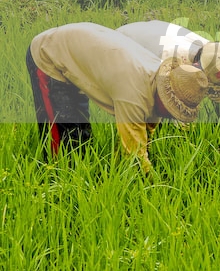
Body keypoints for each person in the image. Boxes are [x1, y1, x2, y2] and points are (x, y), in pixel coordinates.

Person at [26, 22, 209, 174]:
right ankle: (55, 185)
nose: (171, 115)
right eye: (172, 109)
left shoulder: (162, 80)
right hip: (50, 53)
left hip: (80, 56)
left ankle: (88, 177)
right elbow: (134, 157)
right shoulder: (133, 93)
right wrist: (157, 186)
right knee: (62, 147)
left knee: (81, 137)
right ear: (165, 95)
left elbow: (144, 133)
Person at [117, 20, 220, 109]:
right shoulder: (171, 59)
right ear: (197, 66)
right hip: (123, 44)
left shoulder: (211, 52)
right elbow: (164, 98)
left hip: (152, 31)